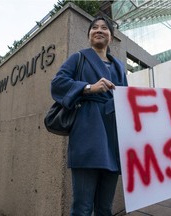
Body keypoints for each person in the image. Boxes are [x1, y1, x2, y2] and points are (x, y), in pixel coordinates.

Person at [50, 16, 128, 216]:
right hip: (88, 133)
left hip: (113, 136)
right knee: (82, 207)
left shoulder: (119, 66)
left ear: (111, 37)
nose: (99, 30)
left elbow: (126, 100)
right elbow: (57, 83)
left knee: (105, 207)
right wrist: (88, 88)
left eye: (104, 28)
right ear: (89, 35)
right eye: (94, 28)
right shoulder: (79, 57)